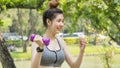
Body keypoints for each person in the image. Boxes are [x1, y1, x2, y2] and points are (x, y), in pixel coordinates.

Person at [31, 0, 86, 68]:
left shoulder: (61, 42)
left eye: (63, 21)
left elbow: (74, 66)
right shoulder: (37, 41)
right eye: (59, 21)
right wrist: (41, 48)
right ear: (48, 22)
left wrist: (81, 51)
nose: (62, 24)